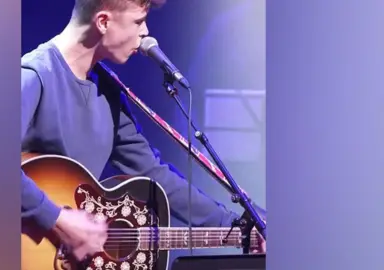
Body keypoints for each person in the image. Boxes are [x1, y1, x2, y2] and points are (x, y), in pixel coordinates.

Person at [21, 0, 265, 261]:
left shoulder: (108, 91)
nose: (146, 32)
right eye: (138, 21)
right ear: (103, 22)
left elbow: (154, 176)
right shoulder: (34, 75)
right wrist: (57, 219)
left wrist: (236, 223)